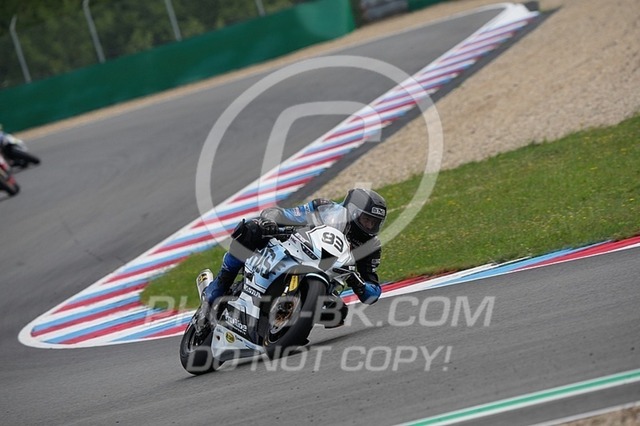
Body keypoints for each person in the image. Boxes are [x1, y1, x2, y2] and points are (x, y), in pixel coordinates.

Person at [198, 188, 387, 329]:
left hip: (326, 280)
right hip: (295, 253)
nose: (370, 226)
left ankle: (291, 326)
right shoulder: (325, 209)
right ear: (353, 212)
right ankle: (219, 284)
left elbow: (373, 293)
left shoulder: (371, 246)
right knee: (251, 229)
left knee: (337, 313)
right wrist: (270, 221)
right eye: (366, 220)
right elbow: (286, 214)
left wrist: (358, 283)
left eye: (374, 223)